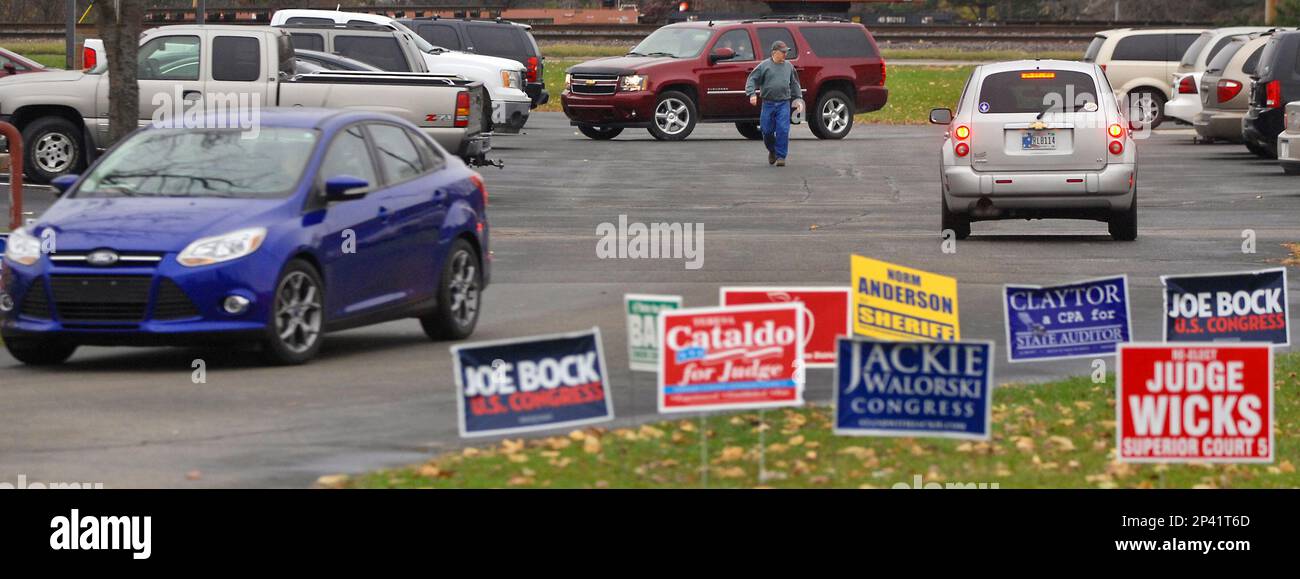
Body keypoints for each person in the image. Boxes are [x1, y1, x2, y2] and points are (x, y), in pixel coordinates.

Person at [745, 40, 803, 166]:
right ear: (774, 52)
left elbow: (795, 84)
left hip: (784, 103)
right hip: (768, 104)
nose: (785, 55)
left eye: (786, 52)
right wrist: (752, 94)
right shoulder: (764, 66)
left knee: (783, 129)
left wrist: (798, 99)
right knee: (766, 130)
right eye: (783, 52)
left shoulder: (789, 67)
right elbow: (752, 79)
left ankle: (781, 156)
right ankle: (772, 150)